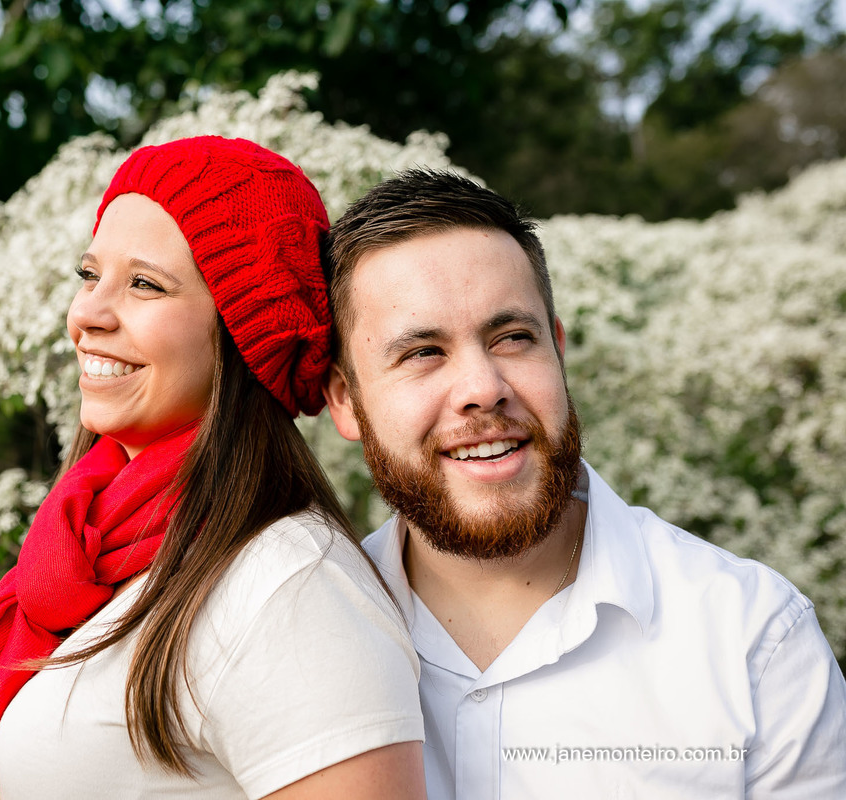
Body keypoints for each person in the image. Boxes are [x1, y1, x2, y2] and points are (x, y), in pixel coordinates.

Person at [0, 136, 427, 800]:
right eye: (89, 275)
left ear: (242, 331)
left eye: (144, 284)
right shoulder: (85, 551)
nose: (87, 314)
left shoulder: (291, 585)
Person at [319, 168, 846, 799]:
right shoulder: (299, 638)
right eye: (423, 352)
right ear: (346, 401)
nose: (484, 387)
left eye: (513, 338)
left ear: (557, 350)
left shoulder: (753, 638)